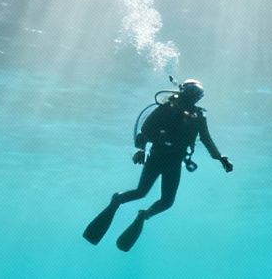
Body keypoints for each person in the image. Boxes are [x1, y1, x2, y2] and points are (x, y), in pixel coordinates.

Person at [83, 79, 233, 251]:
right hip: (157, 157)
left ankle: (143, 216)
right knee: (141, 192)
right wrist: (140, 150)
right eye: (191, 92)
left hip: (175, 161)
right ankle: (117, 200)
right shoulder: (166, 108)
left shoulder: (198, 117)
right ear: (183, 91)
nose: (193, 97)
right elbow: (144, 131)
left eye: (197, 94)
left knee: (167, 202)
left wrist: (220, 158)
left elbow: (207, 140)